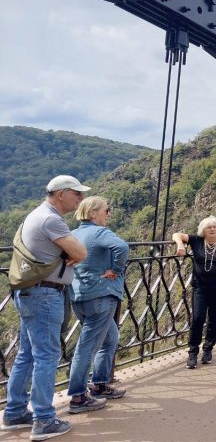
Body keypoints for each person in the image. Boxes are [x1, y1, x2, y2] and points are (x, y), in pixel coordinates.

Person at [2, 175, 89, 440]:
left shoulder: (36, 215)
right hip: (44, 294)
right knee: (46, 356)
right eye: (77, 193)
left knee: (27, 354)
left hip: (29, 292)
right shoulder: (51, 219)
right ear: (61, 193)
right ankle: (44, 420)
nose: (80, 198)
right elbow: (81, 253)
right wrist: (71, 252)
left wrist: (68, 252)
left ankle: (15, 412)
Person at [67, 196, 128, 414]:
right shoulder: (100, 232)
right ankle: (78, 397)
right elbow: (122, 247)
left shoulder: (73, 234)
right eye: (106, 210)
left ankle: (100, 384)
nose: (109, 214)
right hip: (101, 295)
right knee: (87, 347)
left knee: (110, 338)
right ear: (93, 213)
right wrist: (116, 270)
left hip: (79, 296)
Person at [172, 216, 216, 368]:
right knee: (198, 318)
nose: (213, 229)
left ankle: (208, 349)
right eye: (210, 227)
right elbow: (176, 235)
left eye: (215, 227)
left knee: (215, 319)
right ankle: (193, 352)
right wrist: (180, 245)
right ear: (203, 230)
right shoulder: (196, 241)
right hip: (200, 287)